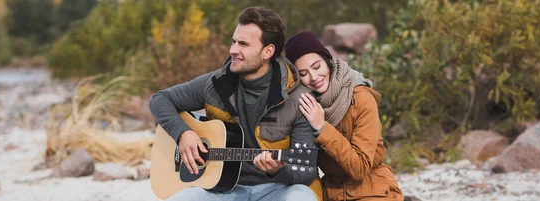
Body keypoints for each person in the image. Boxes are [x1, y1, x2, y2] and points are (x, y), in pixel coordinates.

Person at [148, 7, 320, 201]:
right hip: (221, 191)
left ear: (268, 51)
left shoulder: (300, 99)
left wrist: (277, 171)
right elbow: (160, 100)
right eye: (234, 41)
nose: (233, 50)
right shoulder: (215, 83)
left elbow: (305, 170)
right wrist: (183, 133)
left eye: (243, 44)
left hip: (275, 190)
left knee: (302, 197)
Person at [284, 31, 404, 201]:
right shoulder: (305, 105)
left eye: (317, 66)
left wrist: (322, 128)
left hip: (372, 192)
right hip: (332, 193)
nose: (314, 77)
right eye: (303, 74)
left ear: (327, 62)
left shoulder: (361, 98)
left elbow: (360, 168)